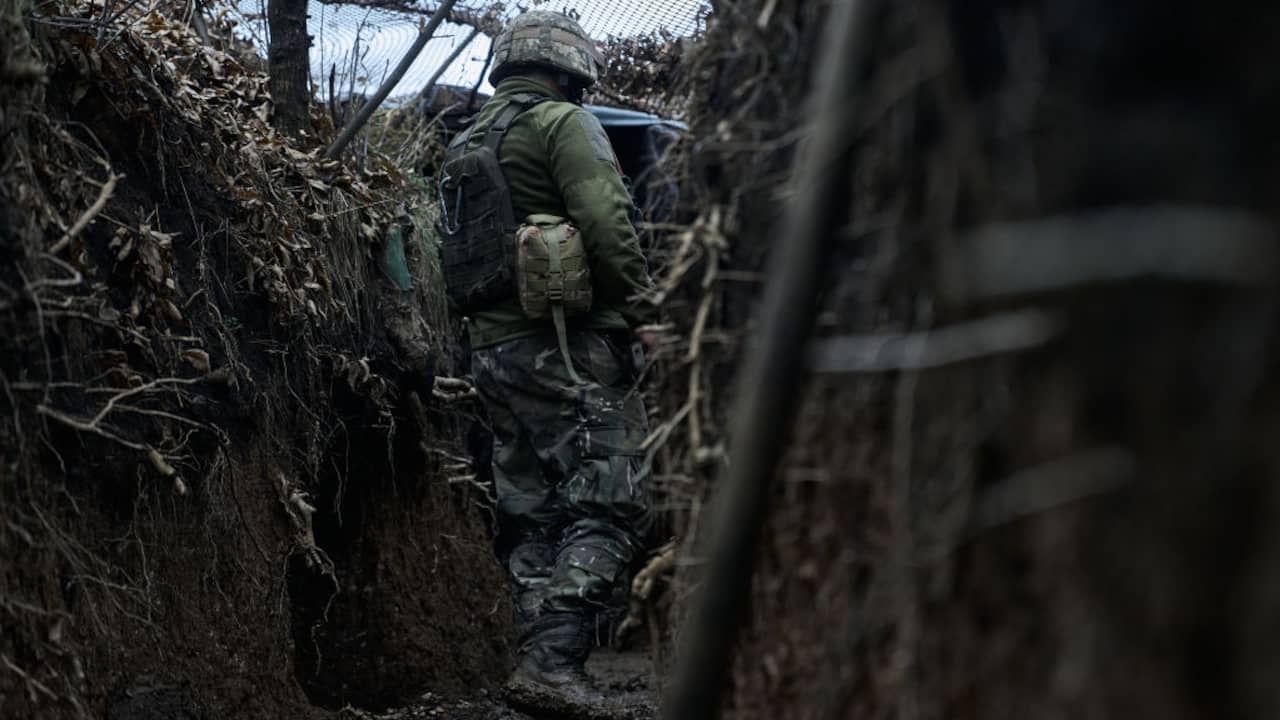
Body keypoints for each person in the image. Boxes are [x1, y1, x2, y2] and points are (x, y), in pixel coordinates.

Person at [441, 9, 657, 705]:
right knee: (614, 499)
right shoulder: (563, 124)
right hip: (564, 345)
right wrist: (646, 310)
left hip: (492, 352)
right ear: (570, 69)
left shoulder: (466, 139)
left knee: (531, 510)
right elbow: (606, 220)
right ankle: (554, 662)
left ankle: (538, 664)